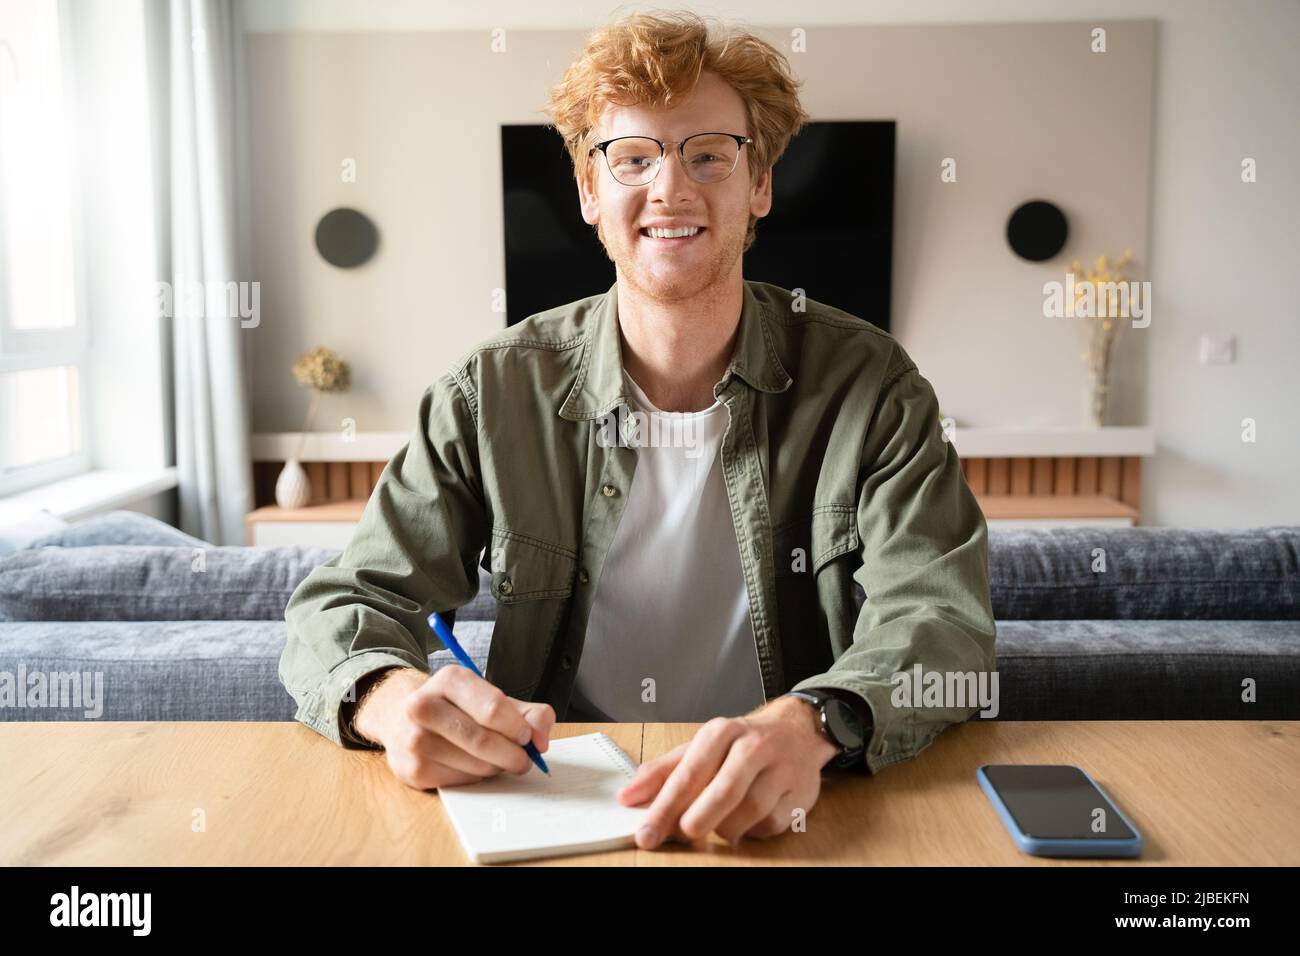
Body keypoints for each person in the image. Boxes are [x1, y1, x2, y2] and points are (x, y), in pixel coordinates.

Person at [280, 10, 996, 851]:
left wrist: (814, 725)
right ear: (589, 191)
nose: (670, 189)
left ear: (759, 181)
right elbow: (345, 601)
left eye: (708, 154)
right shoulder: (491, 392)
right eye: (633, 158)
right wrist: (392, 701)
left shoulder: (873, 388)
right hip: (555, 806)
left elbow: (947, 630)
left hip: (792, 804)